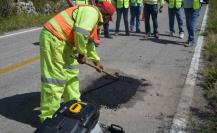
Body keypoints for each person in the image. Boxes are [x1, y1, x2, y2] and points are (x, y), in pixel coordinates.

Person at [39, 2, 115, 123]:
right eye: (108, 17)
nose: (107, 20)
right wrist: (81, 54)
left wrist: (96, 62)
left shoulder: (93, 20)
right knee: (55, 79)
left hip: (66, 44)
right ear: (104, 14)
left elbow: (89, 42)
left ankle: (74, 106)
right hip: (53, 37)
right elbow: (80, 33)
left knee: (71, 74)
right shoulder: (92, 13)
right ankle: (49, 118)